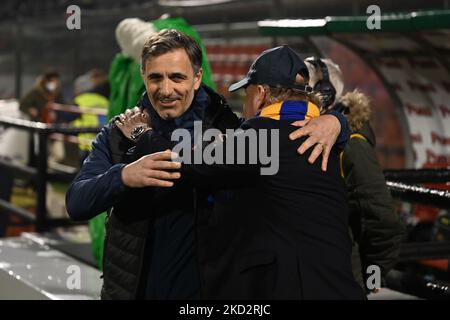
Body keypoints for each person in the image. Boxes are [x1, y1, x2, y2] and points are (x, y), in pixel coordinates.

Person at [66, 30, 347, 299]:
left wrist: (337, 122)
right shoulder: (120, 133)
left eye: (177, 77)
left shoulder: (230, 129)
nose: (166, 89)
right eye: (156, 77)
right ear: (143, 76)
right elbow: (77, 202)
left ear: (197, 77)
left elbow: (276, 150)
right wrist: (124, 176)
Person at [128, 45, 364, 299]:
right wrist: (338, 122)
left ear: (260, 94)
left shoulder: (262, 137)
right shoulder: (319, 135)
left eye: (246, 94)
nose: (244, 105)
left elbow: (180, 163)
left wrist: (142, 134)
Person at [304, 57, 405, 291]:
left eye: (303, 89)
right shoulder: (317, 136)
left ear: (325, 94)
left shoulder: (352, 145)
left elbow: (383, 222)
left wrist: (369, 274)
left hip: (341, 280)